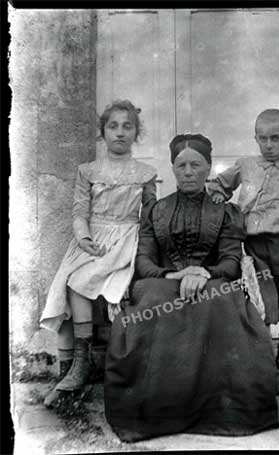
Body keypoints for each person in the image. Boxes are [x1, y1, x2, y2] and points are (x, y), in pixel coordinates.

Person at [105, 133, 279, 442]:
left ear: (208, 167)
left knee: (220, 302)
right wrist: (171, 275)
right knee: (153, 300)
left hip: (212, 282)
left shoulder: (225, 212)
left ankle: (222, 412)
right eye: (181, 165)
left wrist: (203, 271)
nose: (188, 172)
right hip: (162, 281)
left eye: (196, 165)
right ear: (172, 168)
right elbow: (143, 259)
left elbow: (230, 261)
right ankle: (159, 413)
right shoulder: (156, 211)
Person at [40, 99, 157, 407]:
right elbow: (80, 212)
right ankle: (75, 366)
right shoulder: (88, 171)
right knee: (66, 283)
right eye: (113, 126)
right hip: (92, 239)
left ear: (136, 133)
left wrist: (146, 253)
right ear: (103, 132)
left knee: (84, 281)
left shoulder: (145, 173)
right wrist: (84, 237)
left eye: (127, 126)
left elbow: (149, 218)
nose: (120, 133)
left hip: (126, 242)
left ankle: (83, 364)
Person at [208, 109, 279, 394]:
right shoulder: (246, 165)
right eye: (263, 138)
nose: (269, 144)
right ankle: (260, 362)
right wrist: (220, 193)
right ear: (255, 138)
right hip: (255, 246)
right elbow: (220, 184)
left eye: (276, 138)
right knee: (260, 301)